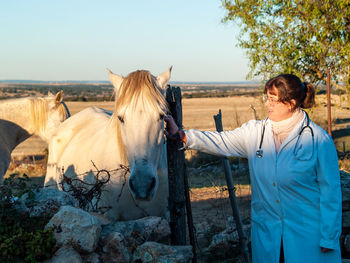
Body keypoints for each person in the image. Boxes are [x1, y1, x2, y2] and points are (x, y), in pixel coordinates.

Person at [164, 74, 342, 263]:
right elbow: (222, 141)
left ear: (291, 103)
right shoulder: (255, 132)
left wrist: (329, 236)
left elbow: (330, 192)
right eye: (267, 97)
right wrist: (183, 136)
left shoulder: (318, 140)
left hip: (308, 238)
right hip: (268, 235)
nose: (267, 104)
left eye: (273, 99)